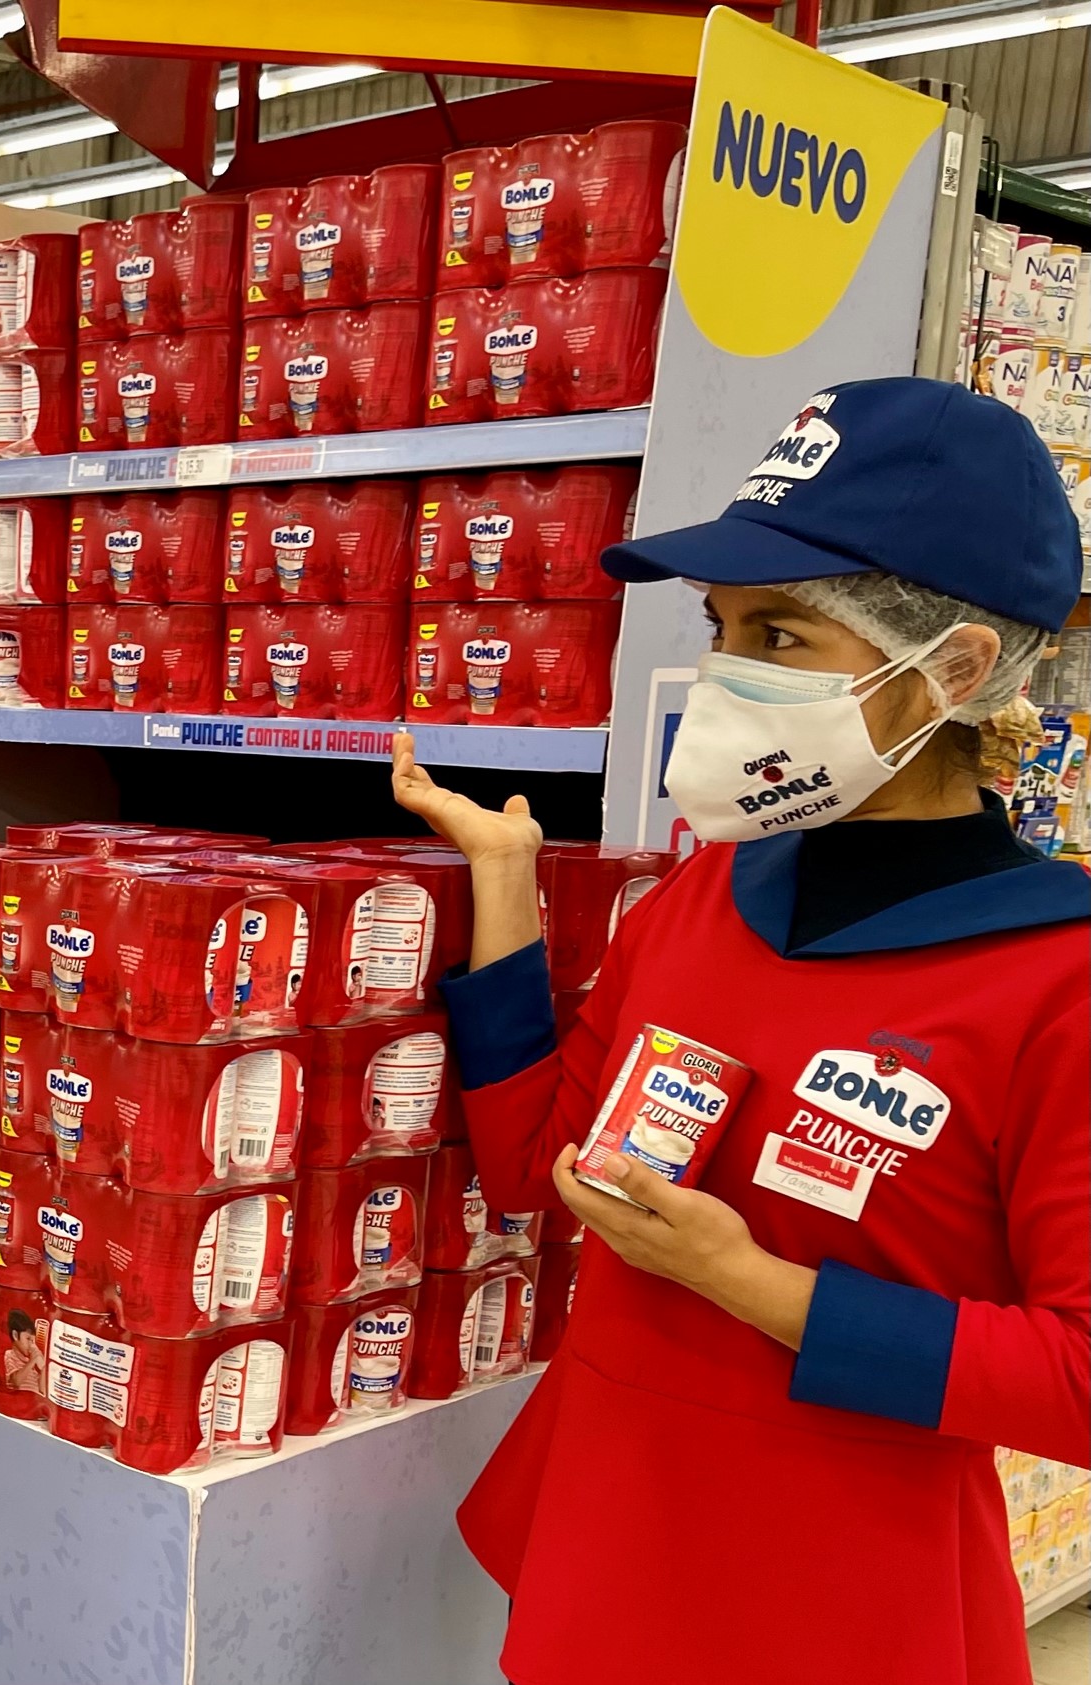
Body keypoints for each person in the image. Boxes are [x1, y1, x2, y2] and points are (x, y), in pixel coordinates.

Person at [392, 377, 1089, 1685]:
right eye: (718, 626)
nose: (723, 674)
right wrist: (504, 886)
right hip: (607, 1535)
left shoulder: (1054, 978)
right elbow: (534, 1165)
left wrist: (749, 1283)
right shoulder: (706, 892)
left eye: (778, 632)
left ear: (950, 668)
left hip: (834, 1591)